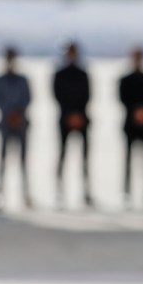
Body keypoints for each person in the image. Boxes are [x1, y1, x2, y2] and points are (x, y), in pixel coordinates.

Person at [53, 41, 93, 207]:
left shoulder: (83, 73)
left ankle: (86, 192)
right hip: (65, 119)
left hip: (82, 118)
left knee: (85, 158)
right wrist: (69, 114)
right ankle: (59, 191)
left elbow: (88, 95)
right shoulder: (60, 74)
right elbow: (57, 95)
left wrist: (78, 115)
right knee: (62, 155)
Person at [118, 46, 143, 207]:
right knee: (127, 160)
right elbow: (122, 99)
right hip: (130, 125)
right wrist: (135, 112)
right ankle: (127, 192)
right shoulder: (125, 79)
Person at [0, 46, 31, 208]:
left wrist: (18, 114)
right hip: (5, 124)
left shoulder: (23, 80)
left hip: (21, 123)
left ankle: (25, 194)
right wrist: (9, 114)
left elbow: (28, 98)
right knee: (2, 159)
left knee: (23, 160)